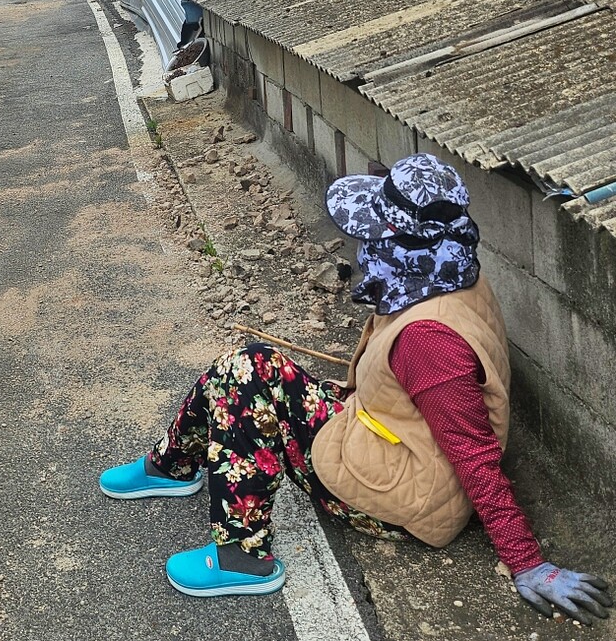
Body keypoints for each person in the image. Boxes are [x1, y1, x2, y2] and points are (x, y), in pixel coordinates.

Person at [99, 154, 612, 624]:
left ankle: (241, 558)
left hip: (404, 496)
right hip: (386, 437)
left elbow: (473, 453)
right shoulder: (448, 270)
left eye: (374, 236)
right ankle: (172, 465)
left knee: (245, 382)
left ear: (402, 247)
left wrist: (527, 562)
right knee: (249, 364)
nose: (363, 246)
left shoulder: (429, 340)